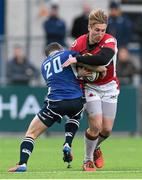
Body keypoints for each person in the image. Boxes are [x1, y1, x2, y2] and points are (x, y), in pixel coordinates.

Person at [8, 42, 85, 172]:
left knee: (31, 133)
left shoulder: (44, 65)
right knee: (75, 115)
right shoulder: (67, 54)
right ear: (60, 49)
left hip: (56, 102)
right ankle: (67, 143)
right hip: (76, 99)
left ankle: (22, 163)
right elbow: (84, 60)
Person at [62, 9, 120, 171]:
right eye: (97, 30)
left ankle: (95, 148)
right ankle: (87, 160)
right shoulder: (78, 44)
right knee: (96, 126)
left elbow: (103, 59)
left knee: (106, 130)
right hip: (90, 87)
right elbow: (68, 66)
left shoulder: (110, 40)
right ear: (89, 27)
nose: (100, 34)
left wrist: (78, 59)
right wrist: (79, 71)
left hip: (110, 87)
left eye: (103, 30)